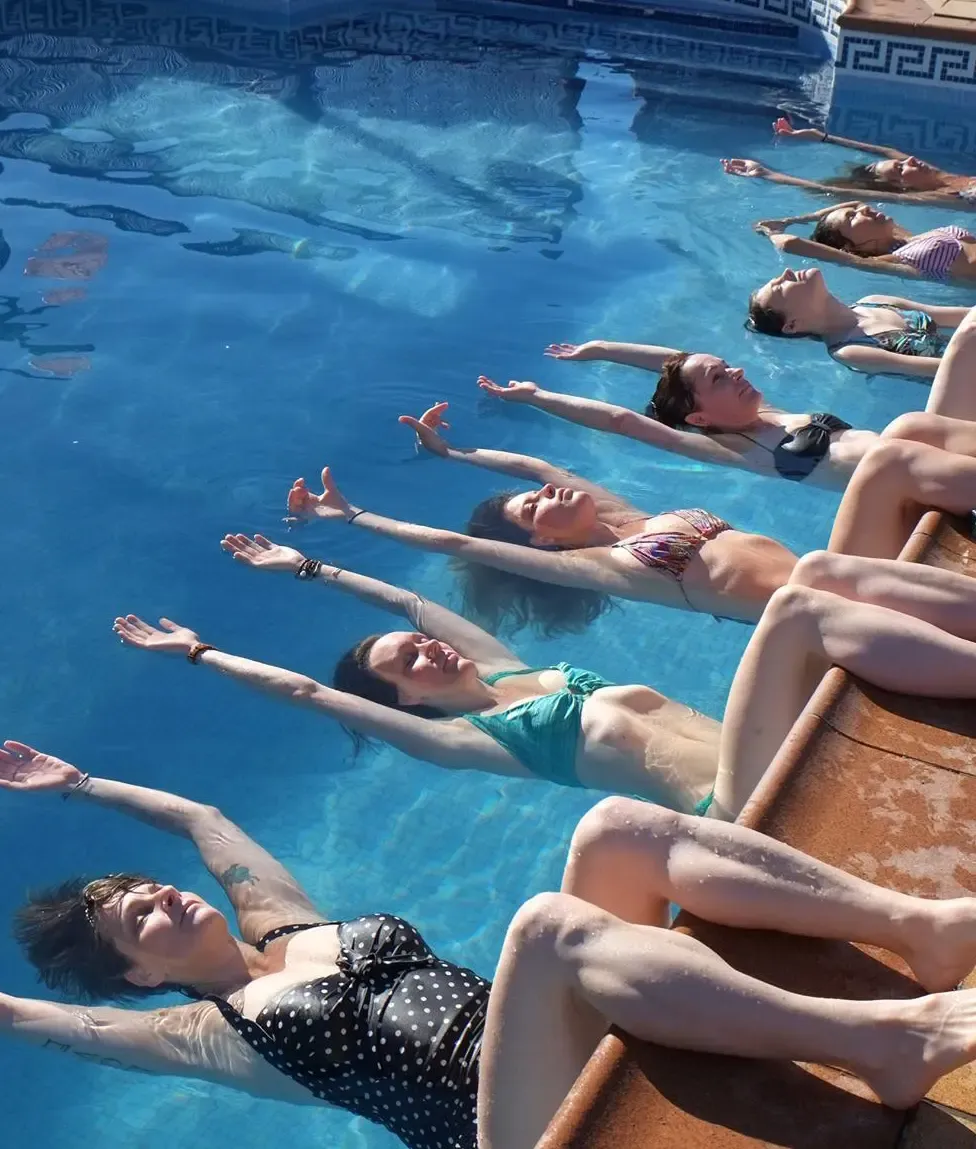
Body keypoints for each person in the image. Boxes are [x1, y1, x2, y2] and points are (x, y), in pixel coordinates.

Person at [7, 743, 976, 1149]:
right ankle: (883, 1041)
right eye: (134, 918)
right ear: (137, 974)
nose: (157, 900)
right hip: (497, 1127)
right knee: (545, 926)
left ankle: (922, 931)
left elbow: (200, 819)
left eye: (142, 890)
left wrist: (81, 784)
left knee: (613, 831)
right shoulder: (203, 1032)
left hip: (548, 1035)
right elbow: (38, 1020)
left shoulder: (285, 925)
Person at [116, 540, 976, 820]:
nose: (428, 651)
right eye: (408, 663)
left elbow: (411, 597)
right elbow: (309, 692)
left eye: (414, 645)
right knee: (795, 613)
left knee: (819, 572)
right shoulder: (461, 740)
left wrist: (310, 568)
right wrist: (200, 653)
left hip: (780, 757)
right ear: (405, 702)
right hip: (737, 803)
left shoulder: (510, 672)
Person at [279, 372, 976, 633]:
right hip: (823, 605)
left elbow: (539, 458)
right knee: (864, 496)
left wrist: (458, 454)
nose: (546, 492)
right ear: (543, 548)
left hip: (844, 581)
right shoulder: (606, 564)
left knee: (900, 443)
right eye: (532, 510)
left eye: (532, 497)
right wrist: (354, 517)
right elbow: (458, 545)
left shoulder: (628, 519)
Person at [489, 308, 976, 490]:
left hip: (921, 455)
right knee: (900, 440)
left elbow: (679, 359)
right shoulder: (729, 446)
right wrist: (537, 396)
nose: (737, 372)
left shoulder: (770, 412)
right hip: (904, 479)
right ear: (699, 416)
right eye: (721, 378)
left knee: (911, 425)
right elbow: (619, 419)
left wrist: (600, 349)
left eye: (727, 366)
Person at [747, 266, 967, 377]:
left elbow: (950, 315)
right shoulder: (849, 350)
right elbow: (938, 370)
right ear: (792, 325)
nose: (786, 272)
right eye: (779, 287)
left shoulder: (875, 301)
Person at [748, 197, 976, 284]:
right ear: (850, 246)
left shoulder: (906, 238)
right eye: (852, 219)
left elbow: (855, 202)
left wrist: (793, 219)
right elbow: (790, 244)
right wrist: (772, 232)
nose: (864, 209)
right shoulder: (896, 261)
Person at [759, 117, 976, 206]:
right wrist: (769, 175)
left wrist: (823, 137)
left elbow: (890, 152)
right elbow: (845, 193)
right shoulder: (940, 196)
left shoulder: (943, 177)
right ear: (902, 185)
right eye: (901, 168)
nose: (909, 159)